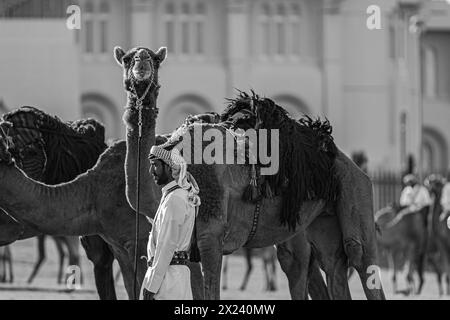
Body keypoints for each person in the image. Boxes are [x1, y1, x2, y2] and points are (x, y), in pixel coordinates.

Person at [140, 143, 200, 300]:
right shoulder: (173, 196)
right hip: (170, 277)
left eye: (155, 165)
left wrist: (151, 285)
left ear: (169, 167)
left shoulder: (175, 198)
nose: (150, 171)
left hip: (169, 282)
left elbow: (167, 245)